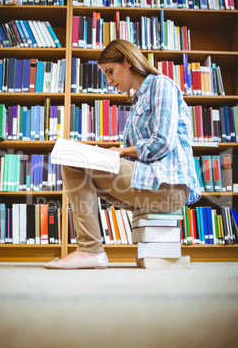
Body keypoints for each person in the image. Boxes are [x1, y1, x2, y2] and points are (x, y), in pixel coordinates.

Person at [44, 39, 201, 269]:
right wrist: (107, 157)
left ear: (127, 61)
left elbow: (162, 143)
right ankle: (90, 250)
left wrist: (120, 151)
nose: (109, 81)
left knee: (74, 161)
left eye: (110, 71)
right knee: (72, 160)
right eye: (105, 75)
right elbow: (133, 158)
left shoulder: (161, 85)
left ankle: (90, 250)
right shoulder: (136, 101)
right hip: (149, 183)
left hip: (169, 185)